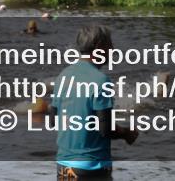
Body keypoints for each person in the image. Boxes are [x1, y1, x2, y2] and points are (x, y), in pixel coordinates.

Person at [49, 25, 137, 178]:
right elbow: (106, 130)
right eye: (110, 44)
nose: (113, 49)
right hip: (93, 167)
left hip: (64, 166)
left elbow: (53, 121)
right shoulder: (101, 81)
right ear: (99, 47)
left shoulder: (63, 76)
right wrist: (126, 133)